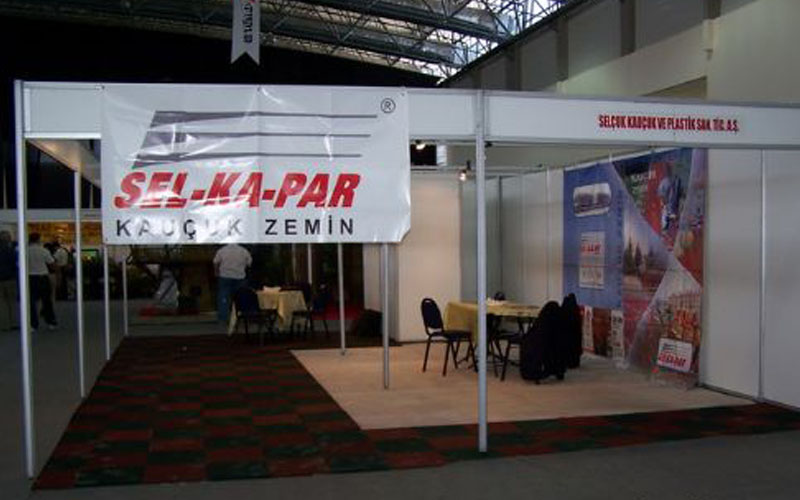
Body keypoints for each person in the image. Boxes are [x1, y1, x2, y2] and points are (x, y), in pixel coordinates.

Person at [213, 243, 252, 323]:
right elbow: (249, 263)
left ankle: (224, 318)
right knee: (241, 298)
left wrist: (216, 272)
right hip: (240, 277)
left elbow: (216, 262)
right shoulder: (243, 250)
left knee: (224, 297)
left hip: (225, 276)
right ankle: (241, 316)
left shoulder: (222, 250)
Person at [28, 233, 57, 331]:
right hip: (42, 277)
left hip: (30, 278)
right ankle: (51, 322)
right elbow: (51, 263)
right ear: (38, 240)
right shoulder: (43, 250)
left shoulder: (25, 251)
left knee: (31, 302)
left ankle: (33, 324)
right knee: (46, 301)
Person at [0, 231, 17, 330]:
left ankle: (4, 323)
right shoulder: (10, 250)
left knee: (2, 302)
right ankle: (13, 322)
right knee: (12, 301)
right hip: (10, 277)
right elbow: (15, 262)